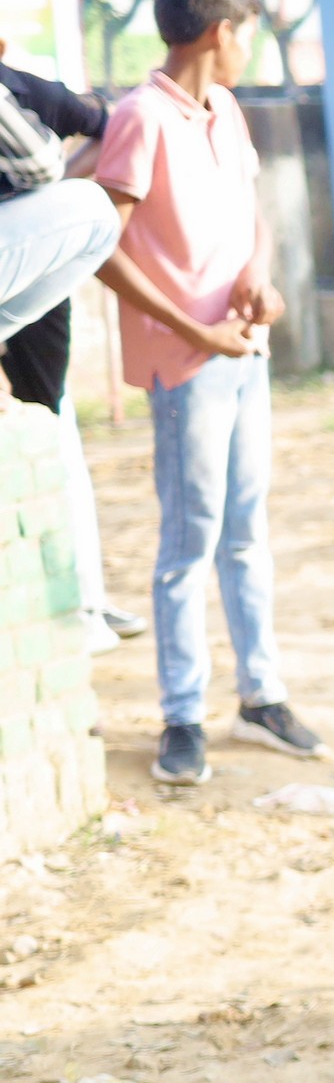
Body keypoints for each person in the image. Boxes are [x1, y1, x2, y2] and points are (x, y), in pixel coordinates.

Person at [89, 0, 326, 786]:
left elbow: (251, 215)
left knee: (246, 533)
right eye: (247, 35)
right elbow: (102, 247)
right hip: (186, 362)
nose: (248, 49)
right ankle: (181, 715)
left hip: (242, 350)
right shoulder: (139, 118)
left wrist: (257, 275)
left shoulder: (225, 110)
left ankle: (261, 696)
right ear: (221, 33)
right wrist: (196, 329)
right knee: (188, 543)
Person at [0, 42, 135, 650]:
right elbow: (48, 165)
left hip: (32, 286)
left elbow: (104, 128)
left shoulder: (29, 89)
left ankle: (82, 602)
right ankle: (73, 606)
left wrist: (48, 200)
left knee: (52, 429)